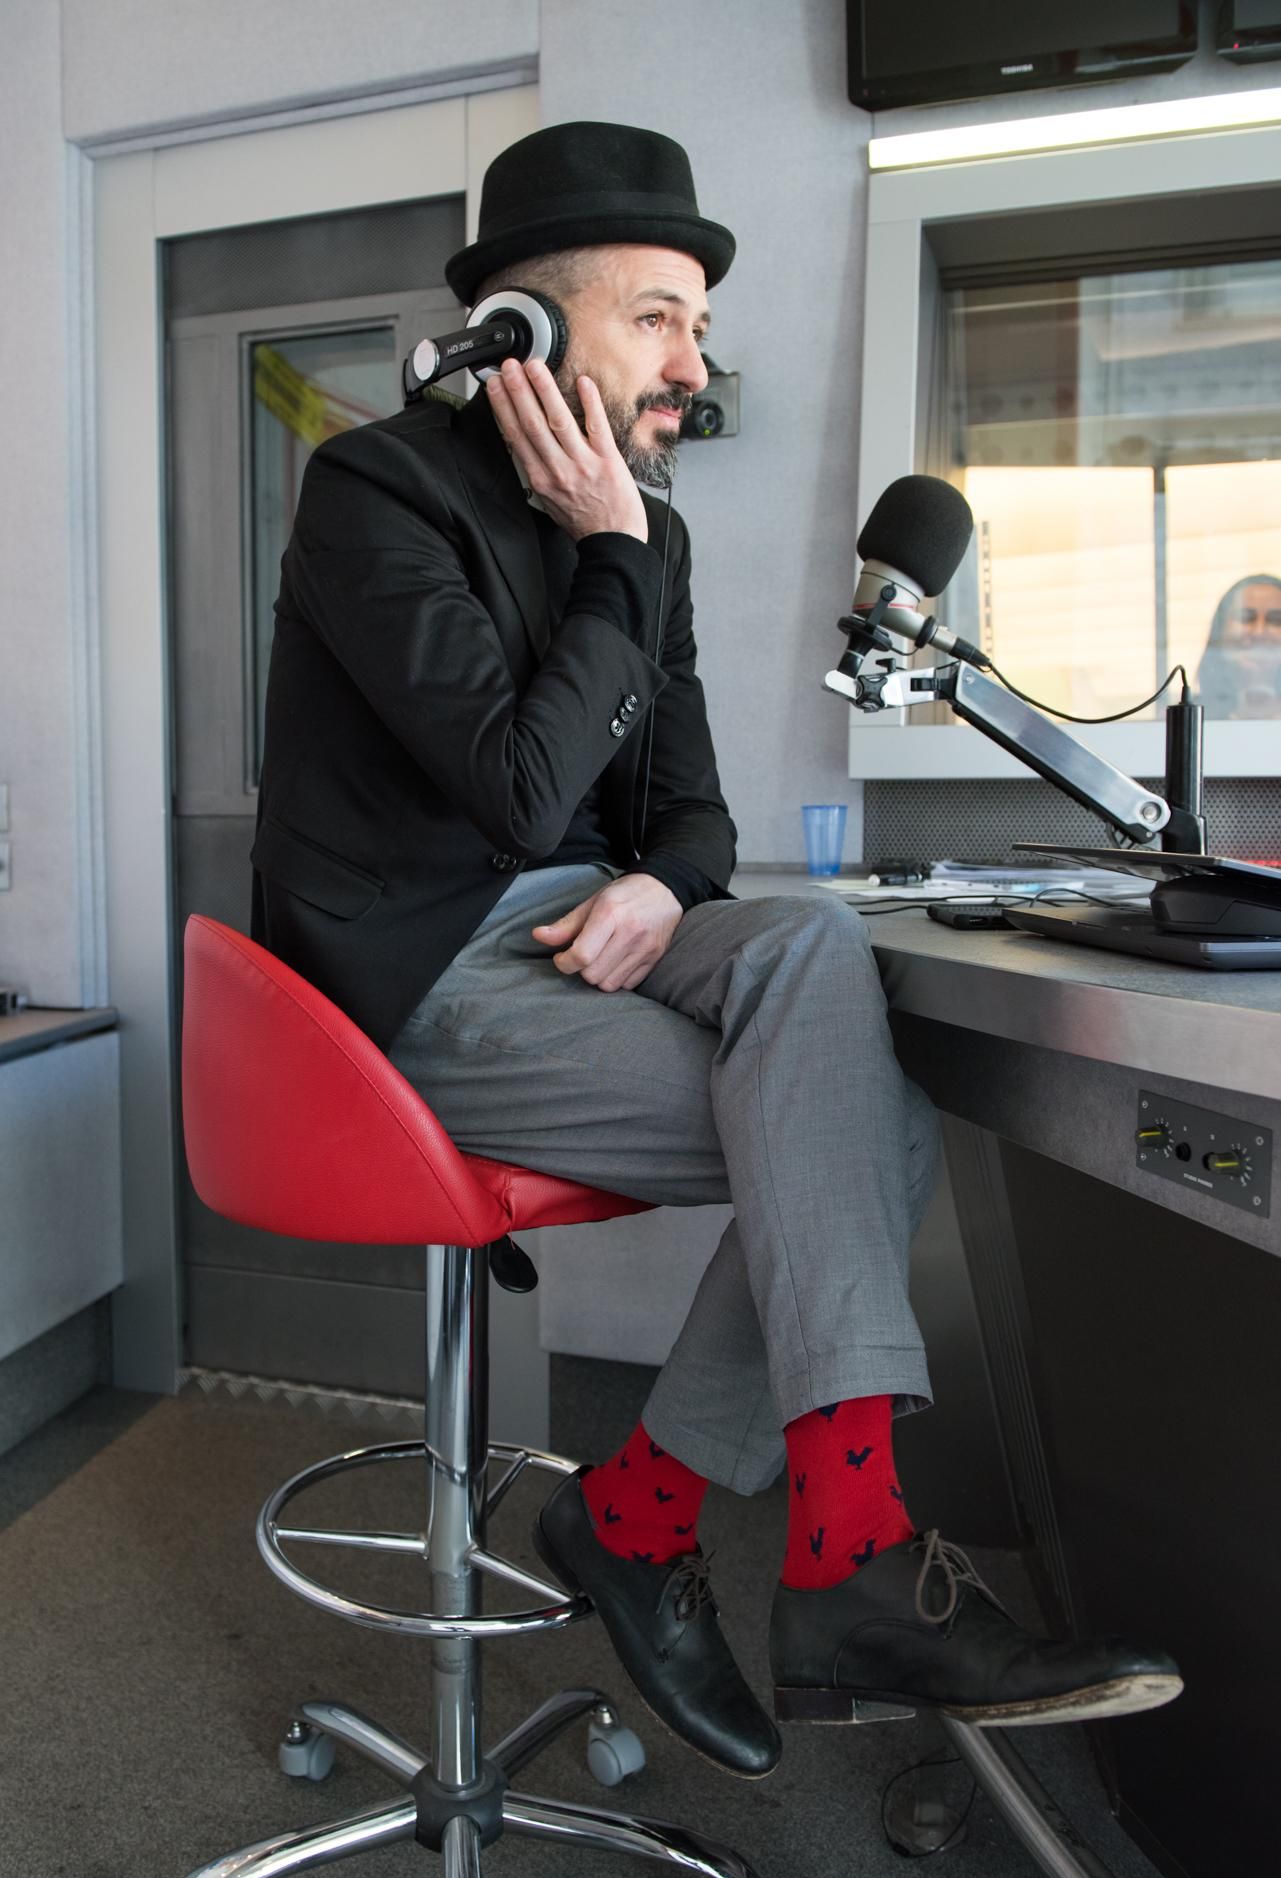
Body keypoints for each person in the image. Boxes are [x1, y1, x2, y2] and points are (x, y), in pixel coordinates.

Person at [252, 120, 1181, 1781]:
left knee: (814, 960)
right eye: (657, 319)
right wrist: (607, 548)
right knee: (860, 1118)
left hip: (585, 938)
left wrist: (669, 891)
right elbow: (517, 783)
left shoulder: (653, 537)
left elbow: (690, 810)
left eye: (698, 325)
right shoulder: (375, 491)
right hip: (411, 981)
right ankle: (752, 1541)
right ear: (521, 331)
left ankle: (746, 1538)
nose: (694, 364)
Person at [1195, 573, 1281, 719]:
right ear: (1220, 631)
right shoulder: (1188, 719)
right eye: (1245, 618)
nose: (1259, 632)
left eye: (1276, 620)